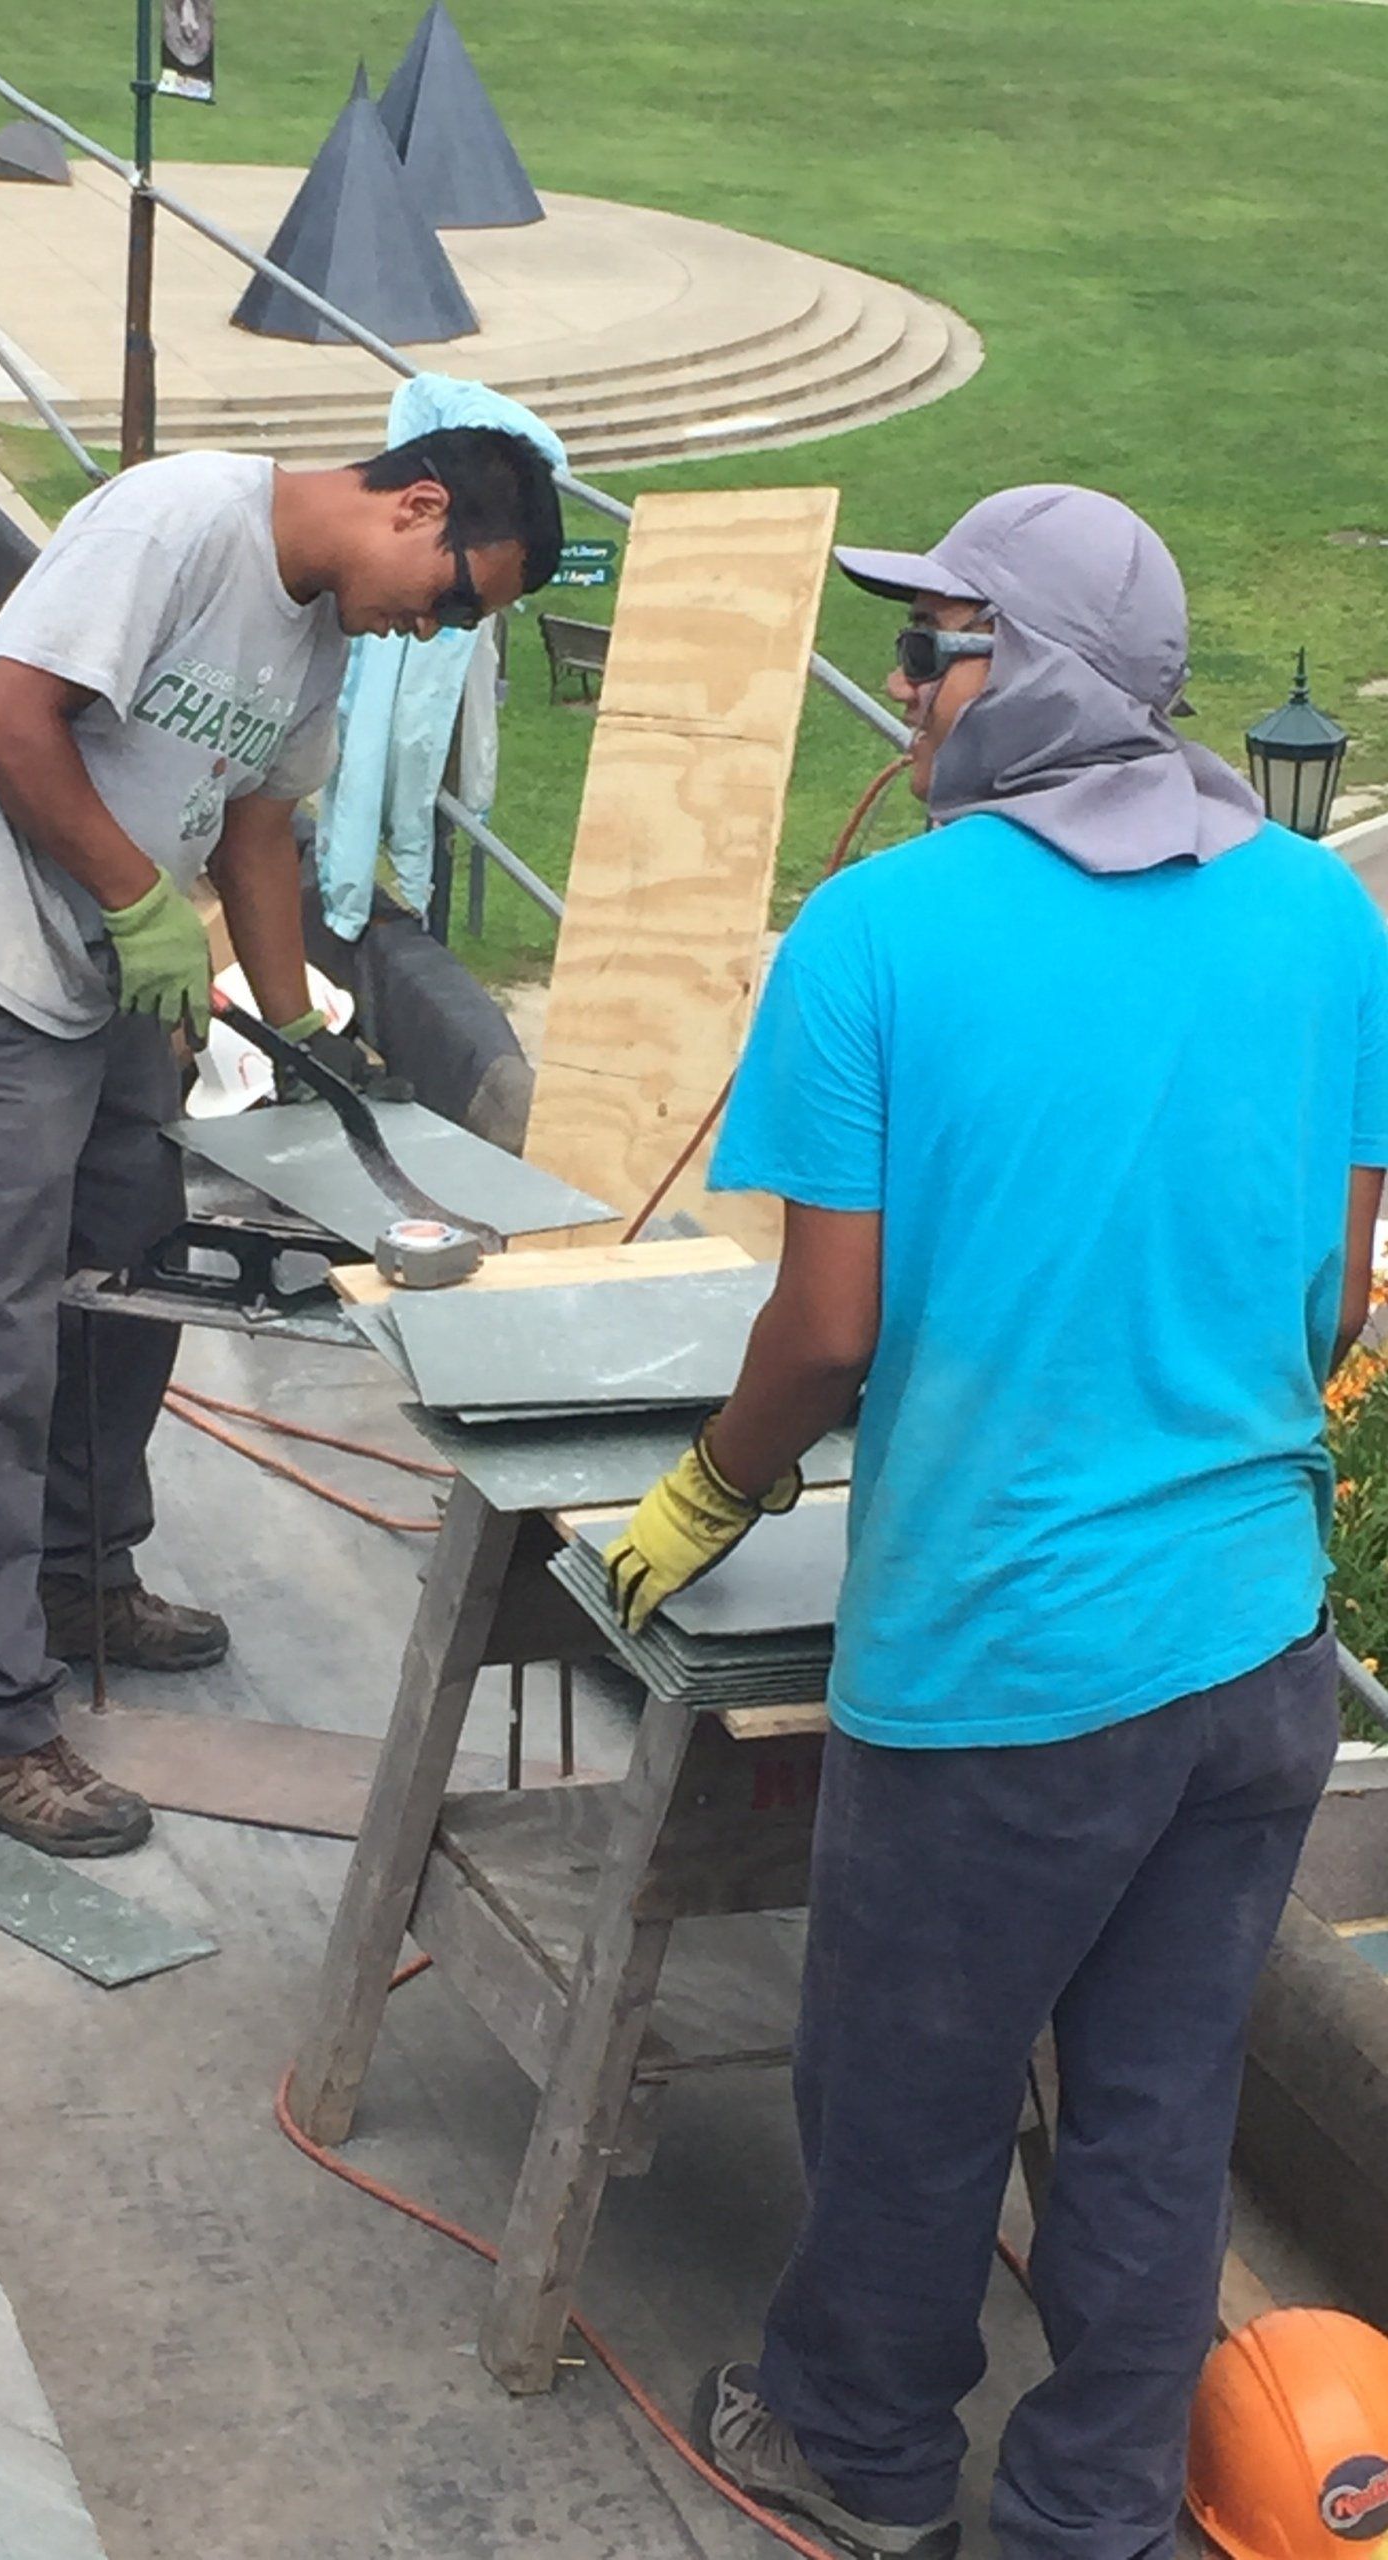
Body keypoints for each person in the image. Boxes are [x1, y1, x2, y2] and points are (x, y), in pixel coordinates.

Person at [604, 485, 1388, 2560]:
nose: (902, 688)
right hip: (1255, 1647)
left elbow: (828, 1328)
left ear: (1023, 673)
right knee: (1155, 2113)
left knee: (912, 2098)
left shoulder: (881, 934)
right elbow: (1336, 1298)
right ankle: (1091, 2514)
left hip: (1005, 1662)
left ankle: (861, 2452)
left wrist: (714, 1485)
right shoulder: (1325, 916)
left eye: (930, 646)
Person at [0, 429, 561, 1858]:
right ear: (416, 506)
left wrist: (299, 1036)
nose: (429, 630)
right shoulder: (178, 522)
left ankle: (76, 1577)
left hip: (112, 984)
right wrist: (136, 899)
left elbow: (255, 825)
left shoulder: (323, 628)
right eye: (447, 599)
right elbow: (7, 718)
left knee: (134, 1279)